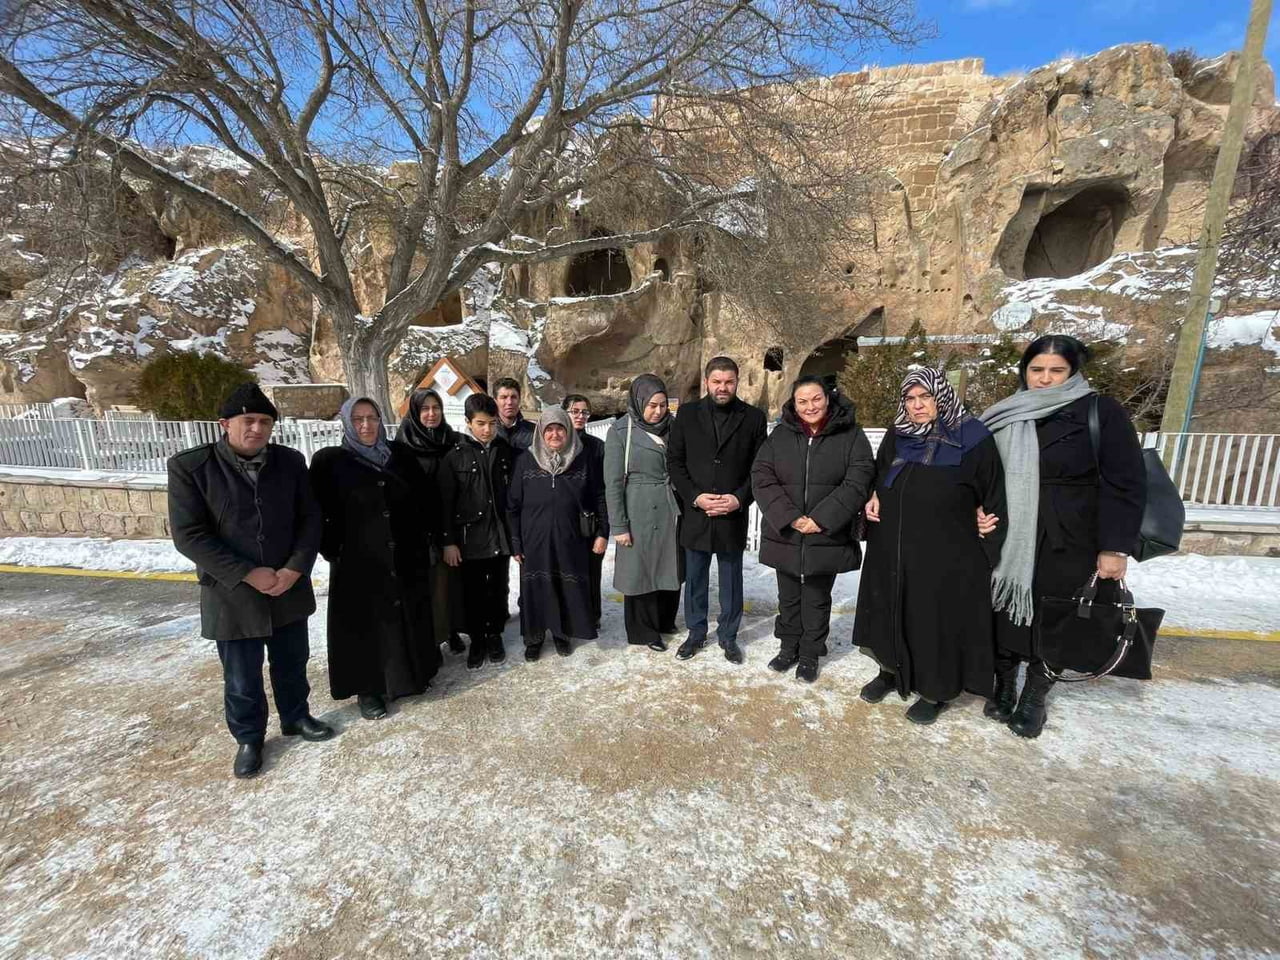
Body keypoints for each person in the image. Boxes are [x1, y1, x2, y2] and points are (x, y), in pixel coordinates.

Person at [980, 335, 1145, 739]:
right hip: (1009, 530)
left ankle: (1035, 696)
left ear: (1073, 372)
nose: (1045, 379)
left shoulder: (1099, 411)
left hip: (1069, 534)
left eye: (1057, 371)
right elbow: (979, 472)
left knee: (1055, 616)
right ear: (1025, 371)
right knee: (1002, 610)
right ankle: (1003, 684)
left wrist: (1114, 547)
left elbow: (1125, 482)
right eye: (1037, 370)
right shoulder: (1006, 413)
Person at [167, 382, 334, 779]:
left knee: (292, 661)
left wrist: (295, 568)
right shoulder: (192, 467)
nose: (257, 429)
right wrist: (247, 573)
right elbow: (189, 535)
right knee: (241, 676)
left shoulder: (290, 463)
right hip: (232, 593)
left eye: (264, 422)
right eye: (248, 420)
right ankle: (249, 738)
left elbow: (310, 519)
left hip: (287, 585)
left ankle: (296, 717)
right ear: (225, 424)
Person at [853, 368, 1008, 724]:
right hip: (890, 544)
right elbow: (880, 473)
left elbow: (992, 492)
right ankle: (890, 670)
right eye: (910, 398)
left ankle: (936, 690)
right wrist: (874, 494)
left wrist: (986, 526)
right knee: (890, 606)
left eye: (926, 397)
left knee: (933, 618)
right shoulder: (898, 434)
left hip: (944, 550)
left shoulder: (973, 438)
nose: (918, 406)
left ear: (942, 397)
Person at [310, 397, 442, 720]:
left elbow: (424, 500)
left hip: (405, 558)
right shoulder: (330, 462)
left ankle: (412, 676)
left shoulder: (399, 455)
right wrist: (333, 549)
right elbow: (316, 512)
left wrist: (426, 540)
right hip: (358, 563)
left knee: (406, 618)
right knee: (364, 627)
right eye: (358, 420)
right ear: (346, 423)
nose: (366, 425)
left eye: (371, 418)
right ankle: (368, 690)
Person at [751, 376, 874, 683]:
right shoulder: (780, 436)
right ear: (794, 403)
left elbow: (858, 479)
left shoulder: (850, 435)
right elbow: (762, 476)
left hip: (826, 531)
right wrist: (790, 516)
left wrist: (822, 518)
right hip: (787, 530)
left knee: (817, 597)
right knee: (789, 595)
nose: (810, 407)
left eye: (816, 399)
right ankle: (788, 646)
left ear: (828, 398)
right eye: (802, 401)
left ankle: (810, 652)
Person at [668, 356, 767, 664]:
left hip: (732, 514)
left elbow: (759, 467)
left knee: (731, 580)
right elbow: (675, 463)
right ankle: (695, 633)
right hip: (697, 514)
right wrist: (695, 497)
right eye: (717, 381)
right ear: (707, 381)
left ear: (737, 382)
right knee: (695, 579)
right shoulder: (686, 414)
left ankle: (728, 636)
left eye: (729, 382)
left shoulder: (753, 418)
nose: (723, 387)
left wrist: (739, 498)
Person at [509, 407, 609, 658]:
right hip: (535, 541)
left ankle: (562, 633)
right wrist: (516, 542)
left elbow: (599, 497)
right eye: (549, 429)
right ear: (540, 433)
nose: (554, 434)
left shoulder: (582, 460)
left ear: (568, 431)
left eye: (560, 428)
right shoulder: (525, 461)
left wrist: (602, 532)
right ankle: (534, 638)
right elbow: (512, 505)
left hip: (571, 539)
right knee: (535, 589)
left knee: (565, 588)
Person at [604, 374, 683, 650]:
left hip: (670, 507)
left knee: (668, 565)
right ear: (638, 403)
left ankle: (664, 620)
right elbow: (612, 483)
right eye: (651, 405)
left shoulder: (675, 427)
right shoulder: (620, 431)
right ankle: (643, 630)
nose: (658, 411)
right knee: (641, 571)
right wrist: (619, 526)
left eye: (663, 405)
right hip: (637, 509)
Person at [439, 393, 515, 669]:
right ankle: (478, 640)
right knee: (472, 593)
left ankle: (494, 635)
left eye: (492, 423)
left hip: (499, 536)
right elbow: (445, 505)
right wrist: (448, 542)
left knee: (497, 588)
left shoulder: (504, 451)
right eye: (481, 423)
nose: (487, 430)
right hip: (469, 540)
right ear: (468, 423)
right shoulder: (454, 458)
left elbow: (513, 498)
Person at [394, 388, 466, 655]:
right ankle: (432, 638)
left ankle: (453, 629)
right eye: (425, 409)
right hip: (420, 528)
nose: (431, 414)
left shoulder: (452, 439)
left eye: (436, 408)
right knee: (429, 586)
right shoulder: (402, 447)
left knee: (453, 583)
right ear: (414, 412)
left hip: (452, 522)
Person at [563, 393, 609, 625]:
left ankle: (592, 615)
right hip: (562, 522)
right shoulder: (555, 445)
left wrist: (603, 530)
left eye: (584, 412)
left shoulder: (597, 447)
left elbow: (604, 491)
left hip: (590, 520)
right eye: (574, 411)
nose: (580, 416)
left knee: (591, 572)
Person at [494, 377, 535, 451]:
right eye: (504, 397)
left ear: (519, 400)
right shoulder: (488, 431)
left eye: (513, 397)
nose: (509, 402)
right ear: (495, 401)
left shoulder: (534, 432)